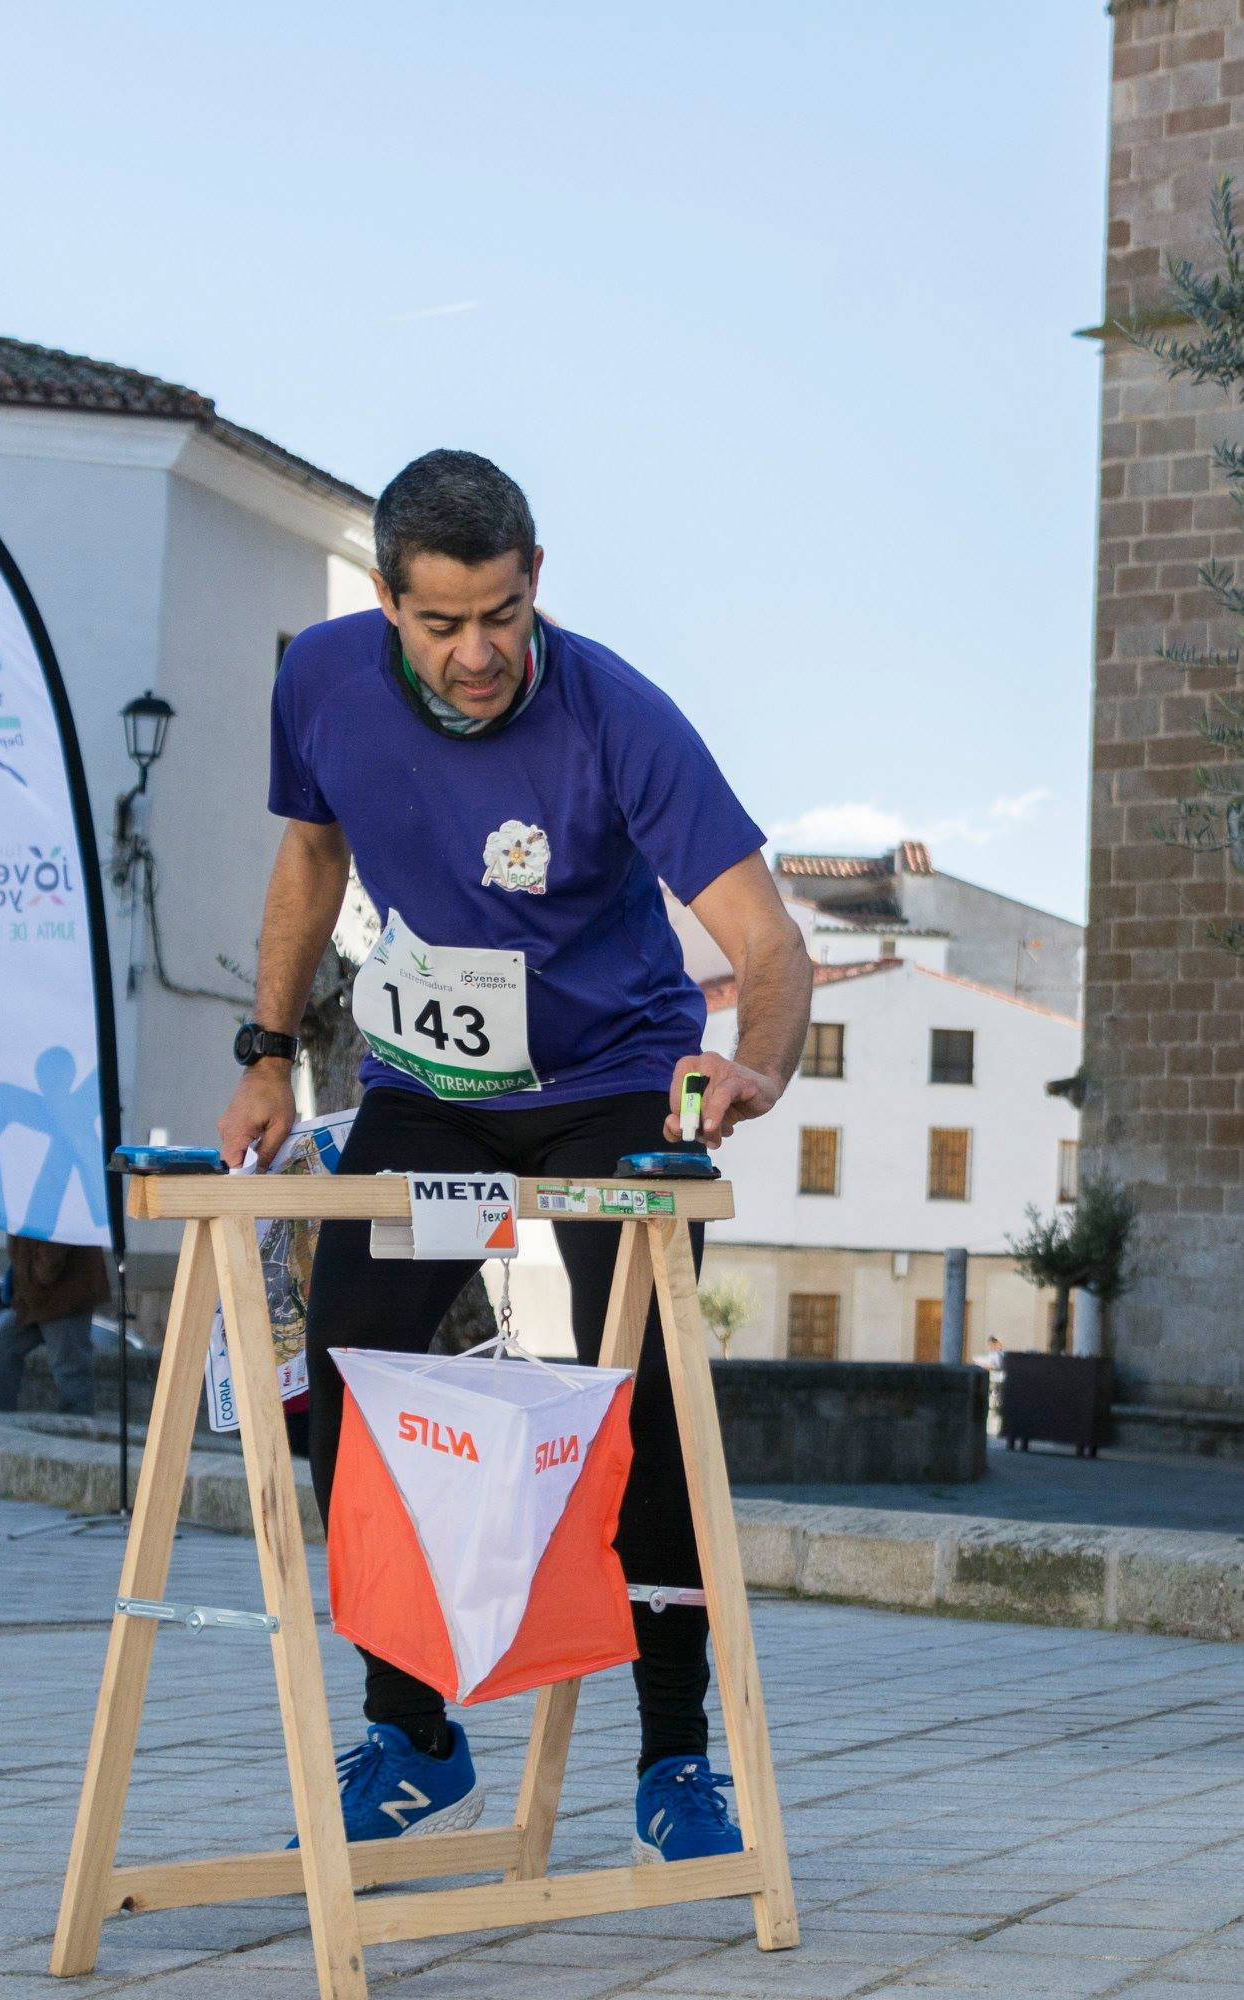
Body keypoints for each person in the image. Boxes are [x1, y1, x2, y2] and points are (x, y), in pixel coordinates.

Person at [218, 449, 813, 1864]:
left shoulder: (620, 718)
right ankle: (415, 1734)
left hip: (609, 1090)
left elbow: (770, 946)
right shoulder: (321, 680)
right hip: (435, 1090)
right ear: (386, 602)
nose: (477, 653)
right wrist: (262, 1052)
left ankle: (676, 1758)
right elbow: (312, 856)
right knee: (357, 1363)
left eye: (500, 614)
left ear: (533, 579)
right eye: (441, 624)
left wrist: (755, 1066)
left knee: (651, 1398)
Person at [0, 1234, 109, 1417]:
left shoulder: (55, 1206)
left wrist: (37, 1275)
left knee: (70, 1369)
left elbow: (54, 1247)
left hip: (63, 1297)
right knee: (1, 1349)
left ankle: (77, 1429)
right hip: (33, 1297)